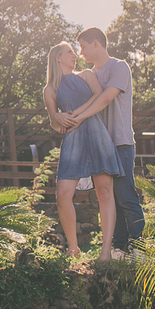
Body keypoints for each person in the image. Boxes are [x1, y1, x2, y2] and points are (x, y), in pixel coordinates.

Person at [63, 28, 146, 257]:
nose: (80, 52)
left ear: (96, 44)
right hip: (99, 146)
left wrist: (79, 118)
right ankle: (119, 247)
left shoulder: (119, 67)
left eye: (83, 46)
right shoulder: (89, 75)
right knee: (109, 197)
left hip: (120, 142)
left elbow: (106, 98)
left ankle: (139, 246)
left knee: (125, 194)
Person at [43, 41, 122, 259]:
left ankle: (105, 250)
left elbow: (99, 97)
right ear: (58, 57)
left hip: (96, 133)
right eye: (69, 52)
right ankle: (73, 248)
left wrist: (75, 113)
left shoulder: (87, 75)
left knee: (104, 192)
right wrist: (57, 117)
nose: (75, 55)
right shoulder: (49, 90)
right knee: (63, 195)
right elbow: (55, 124)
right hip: (73, 139)